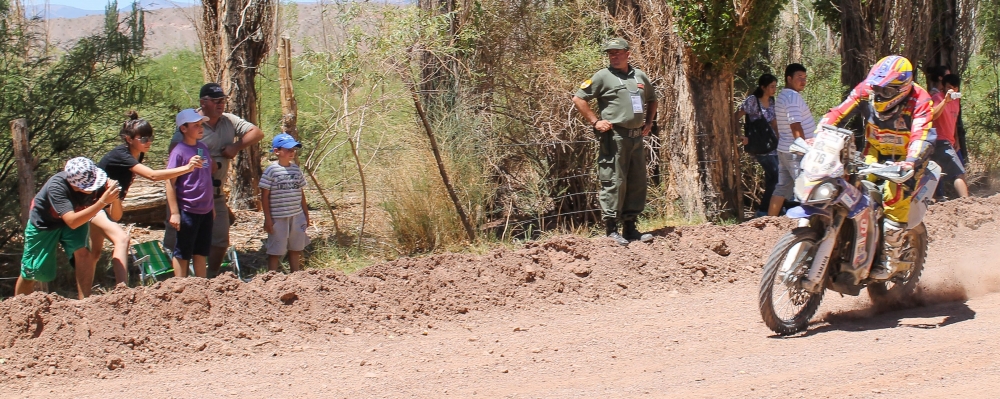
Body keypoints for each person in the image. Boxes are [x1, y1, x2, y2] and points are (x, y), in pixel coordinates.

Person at [817, 55, 935, 280]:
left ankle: (889, 256)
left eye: (885, 91)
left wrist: (910, 162)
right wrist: (820, 131)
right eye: (876, 88)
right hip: (875, 150)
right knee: (849, 184)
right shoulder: (866, 89)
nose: (878, 94)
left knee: (894, 195)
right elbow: (839, 111)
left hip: (907, 158)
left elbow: (922, 135)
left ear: (902, 89)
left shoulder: (920, 100)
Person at [92, 111, 205, 285]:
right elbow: (152, 176)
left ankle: (85, 295)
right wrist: (187, 168)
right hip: (94, 203)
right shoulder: (121, 154)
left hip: (109, 203)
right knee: (121, 240)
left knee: (94, 253)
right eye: (143, 139)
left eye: (150, 138)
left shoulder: (137, 153)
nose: (148, 142)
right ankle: (122, 290)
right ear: (129, 139)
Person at [163, 83, 264, 277]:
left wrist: (234, 147)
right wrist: (175, 210)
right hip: (185, 199)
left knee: (213, 243)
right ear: (203, 102)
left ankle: (210, 280)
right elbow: (172, 174)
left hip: (212, 198)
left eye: (223, 100)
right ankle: (175, 284)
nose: (220, 104)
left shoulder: (226, 122)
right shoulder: (184, 137)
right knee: (179, 245)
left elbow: (257, 133)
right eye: (215, 100)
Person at [571, 37, 657, 246]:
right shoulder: (603, 76)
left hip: (636, 138)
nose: (614, 56)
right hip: (615, 137)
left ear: (628, 54)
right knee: (614, 182)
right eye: (610, 53)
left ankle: (630, 228)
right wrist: (595, 121)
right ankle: (611, 230)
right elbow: (579, 98)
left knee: (636, 183)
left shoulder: (639, 76)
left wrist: (649, 123)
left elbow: (652, 99)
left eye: (618, 52)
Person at [16, 157, 121, 299]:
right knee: (32, 271)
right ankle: (18, 305)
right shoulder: (57, 186)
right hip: (46, 224)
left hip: (78, 218)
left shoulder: (99, 182)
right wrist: (102, 202)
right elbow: (72, 221)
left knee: (83, 254)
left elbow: (116, 216)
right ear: (74, 185)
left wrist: (115, 198)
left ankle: (85, 302)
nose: (93, 189)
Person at [166, 109, 215, 278]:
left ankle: (202, 286)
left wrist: (212, 206)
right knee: (183, 251)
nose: (200, 128)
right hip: (188, 208)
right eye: (196, 125)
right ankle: (180, 287)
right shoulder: (179, 151)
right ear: (184, 128)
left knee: (201, 251)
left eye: (201, 124)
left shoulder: (203, 147)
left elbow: (207, 177)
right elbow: (170, 181)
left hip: (205, 209)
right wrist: (174, 212)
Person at [769, 63, 815, 216]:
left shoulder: (783, 95)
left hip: (784, 149)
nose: (803, 81)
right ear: (789, 78)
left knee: (782, 187)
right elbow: (795, 124)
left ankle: (770, 222)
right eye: (799, 77)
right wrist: (804, 148)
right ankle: (810, 225)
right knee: (807, 186)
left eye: (805, 77)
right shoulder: (792, 96)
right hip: (796, 151)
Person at [260, 133, 310, 273]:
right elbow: (264, 196)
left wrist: (305, 214)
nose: (291, 153)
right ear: (277, 151)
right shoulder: (271, 170)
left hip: (296, 215)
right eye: (288, 149)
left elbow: (301, 193)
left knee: (296, 247)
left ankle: (296, 276)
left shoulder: (295, 169)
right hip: (278, 217)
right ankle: (271, 278)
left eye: (293, 150)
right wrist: (268, 219)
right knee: (276, 250)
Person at [733, 74, 780, 217]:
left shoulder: (772, 101)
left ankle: (773, 209)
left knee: (773, 177)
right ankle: (764, 210)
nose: (774, 89)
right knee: (775, 174)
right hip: (759, 145)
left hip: (771, 144)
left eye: (775, 86)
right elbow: (736, 116)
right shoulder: (752, 101)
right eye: (771, 86)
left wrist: (779, 138)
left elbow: (773, 122)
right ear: (763, 87)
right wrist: (740, 135)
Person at [929, 74, 968, 198]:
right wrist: (945, 101)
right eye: (949, 87)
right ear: (943, 87)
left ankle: (936, 198)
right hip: (940, 141)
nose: (952, 90)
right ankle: (967, 201)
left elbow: (954, 121)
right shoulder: (937, 98)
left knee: (937, 173)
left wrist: (956, 138)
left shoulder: (957, 101)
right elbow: (933, 115)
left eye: (955, 88)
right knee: (959, 173)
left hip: (950, 141)